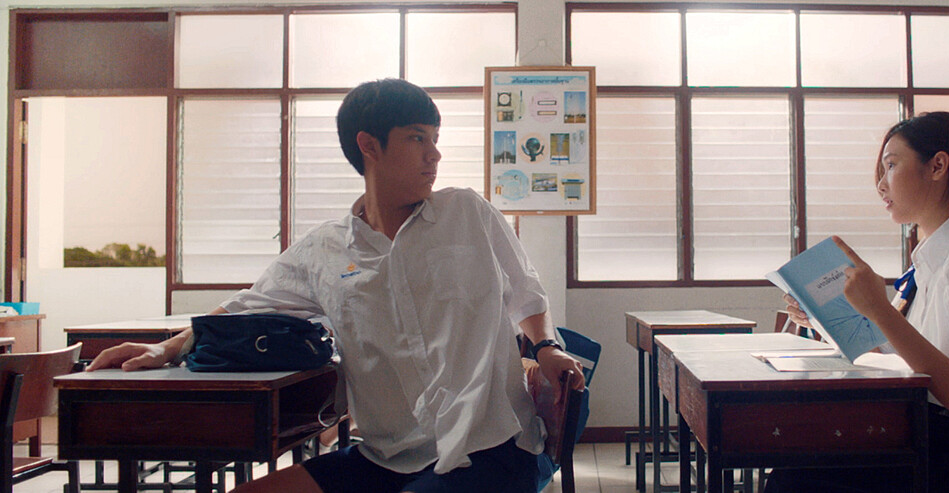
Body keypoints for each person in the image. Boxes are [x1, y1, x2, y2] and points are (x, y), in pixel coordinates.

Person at [87, 78, 585, 493]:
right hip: (386, 457)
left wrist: (546, 348)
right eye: (417, 138)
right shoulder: (324, 250)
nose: (434, 154)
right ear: (369, 145)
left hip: (491, 449)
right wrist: (164, 349)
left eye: (435, 138)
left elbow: (527, 292)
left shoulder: (467, 213)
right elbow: (245, 307)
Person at [767, 111, 949, 493]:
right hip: (938, 437)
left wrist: (879, 310)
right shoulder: (933, 261)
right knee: (797, 464)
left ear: (937, 166)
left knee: (797, 479)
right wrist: (824, 318)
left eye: (891, 165)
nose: (880, 184)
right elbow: (897, 354)